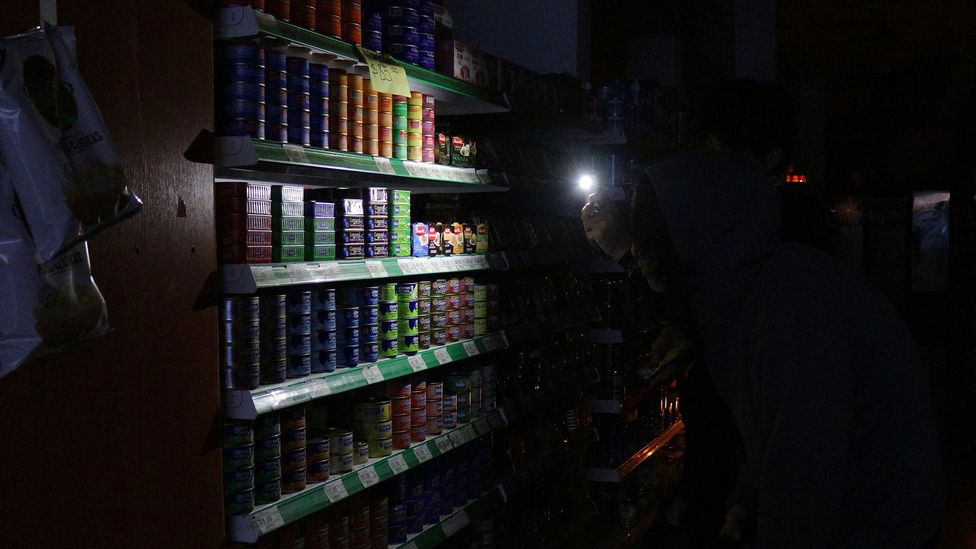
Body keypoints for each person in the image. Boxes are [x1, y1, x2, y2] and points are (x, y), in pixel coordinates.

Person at [582, 151, 944, 548]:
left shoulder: (793, 314)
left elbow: (803, 478)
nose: (642, 252)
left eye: (655, 236)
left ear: (701, 233)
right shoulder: (758, 290)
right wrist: (748, 499)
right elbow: (776, 433)